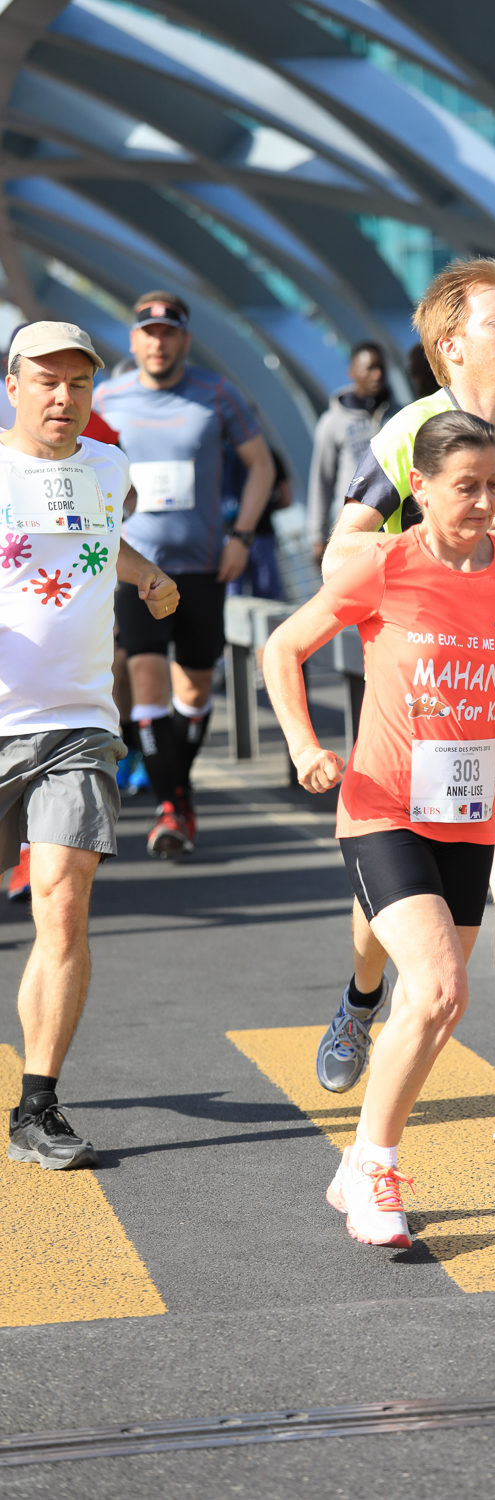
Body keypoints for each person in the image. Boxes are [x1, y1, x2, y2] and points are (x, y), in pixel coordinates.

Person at [264, 410, 495, 1246]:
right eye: (466, 487)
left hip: (465, 816)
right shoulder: (383, 565)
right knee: (442, 989)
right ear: (421, 488)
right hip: (381, 809)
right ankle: (375, 1166)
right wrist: (303, 746)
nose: (486, 503)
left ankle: (358, 1160)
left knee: (431, 1006)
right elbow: (282, 648)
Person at [319, 256, 495, 1148]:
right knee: (403, 897)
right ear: (450, 345)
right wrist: (443, 528)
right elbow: (340, 553)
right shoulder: (410, 433)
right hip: (431, 704)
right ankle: (362, 996)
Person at [1, 320, 178, 1168]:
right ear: (12, 387)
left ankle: (37, 1105)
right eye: (46, 381)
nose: (62, 397)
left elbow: (102, 541)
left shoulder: (108, 467)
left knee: (63, 904)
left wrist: (145, 573)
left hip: (77, 722)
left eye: (77, 382)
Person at [93, 291, 275, 859]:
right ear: (133, 341)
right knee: (146, 677)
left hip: (203, 567)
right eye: (148, 333)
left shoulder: (217, 394)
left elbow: (262, 465)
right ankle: (171, 806)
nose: (158, 343)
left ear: (185, 340)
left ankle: (178, 791)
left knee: (193, 691)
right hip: (136, 567)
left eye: (169, 333)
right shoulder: (107, 398)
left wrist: (242, 535)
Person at [307, 343, 399, 567]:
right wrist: (317, 536)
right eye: (370, 368)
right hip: (354, 530)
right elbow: (322, 481)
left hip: (395, 529)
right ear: (353, 372)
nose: (377, 375)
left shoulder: (400, 415)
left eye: (381, 368)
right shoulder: (332, 423)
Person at [225, 447, 292, 603]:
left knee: (232, 598)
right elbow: (286, 499)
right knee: (269, 598)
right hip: (262, 535)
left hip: (228, 536)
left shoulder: (220, 454)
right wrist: (261, 507)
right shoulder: (269, 455)